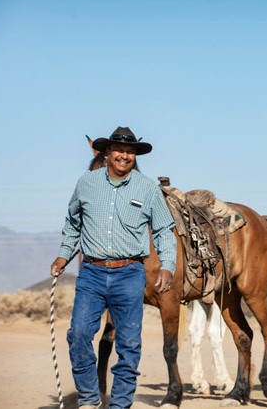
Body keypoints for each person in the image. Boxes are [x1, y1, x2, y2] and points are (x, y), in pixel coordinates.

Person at [50, 126, 177, 409]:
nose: (124, 156)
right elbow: (73, 222)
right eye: (119, 151)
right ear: (107, 154)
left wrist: (167, 266)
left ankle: (120, 404)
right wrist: (63, 255)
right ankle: (89, 398)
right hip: (92, 273)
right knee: (79, 334)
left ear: (135, 156)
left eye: (130, 152)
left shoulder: (147, 188)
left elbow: (164, 231)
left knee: (129, 343)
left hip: (130, 273)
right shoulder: (86, 182)